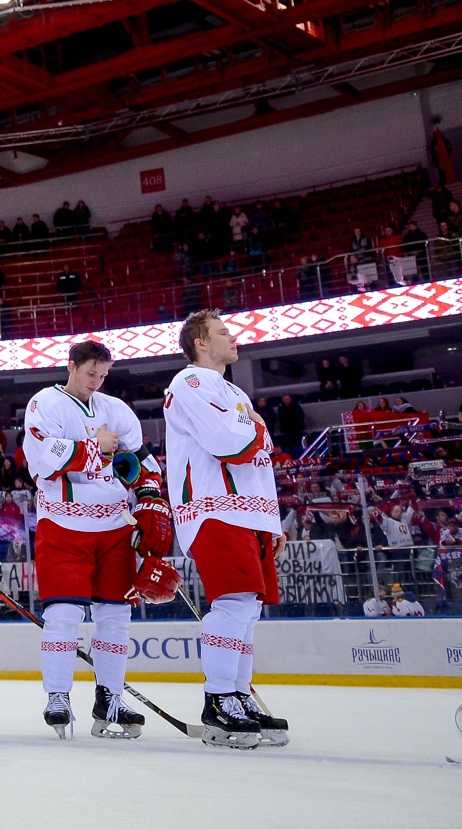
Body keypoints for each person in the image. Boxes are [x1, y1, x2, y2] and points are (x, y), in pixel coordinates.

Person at [21, 340, 173, 739]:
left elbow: (143, 462)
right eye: (90, 373)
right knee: (63, 616)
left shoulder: (116, 410)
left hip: (114, 529)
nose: (96, 381)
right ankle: (57, 696)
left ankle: (110, 698)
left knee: (116, 619)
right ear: (71, 366)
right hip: (63, 527)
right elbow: (46, 459)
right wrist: (97, 447)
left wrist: (151, 497)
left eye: (103, 375)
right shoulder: (44, 404)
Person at [163, 309, 289, 749]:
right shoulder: (188, 383)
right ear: (200, 342)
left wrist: (271, 520)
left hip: (250, 513)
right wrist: (252, 428)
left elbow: (260, 461)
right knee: (233, 603)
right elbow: (228, 443)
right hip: (214, 509)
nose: (233, 338)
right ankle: (218, 698)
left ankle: (238, 693)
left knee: (248, 610)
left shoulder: (235, 391)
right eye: (222, 332)